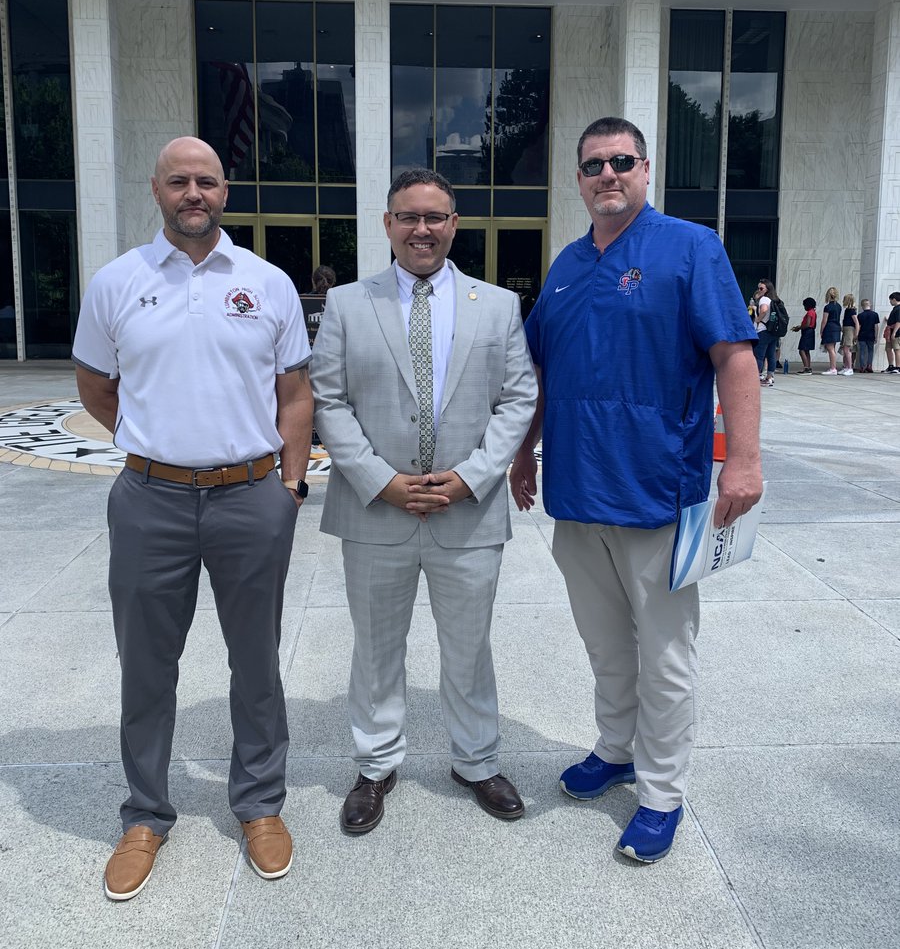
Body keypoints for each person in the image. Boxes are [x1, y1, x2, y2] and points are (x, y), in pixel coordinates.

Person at [509, 117, 762, 864]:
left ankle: (660, 793)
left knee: (667, 652)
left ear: (645, 170)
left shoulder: (690, 248)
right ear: (578, 178)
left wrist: (742, 462)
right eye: (593, 165)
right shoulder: (563, 267)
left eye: (622, 161)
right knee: (604, 644)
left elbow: (735, 360)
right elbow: (542, 376)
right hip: (578, 498)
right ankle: (614, 748)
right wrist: (525, 454)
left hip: (659, 494)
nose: (607, 174)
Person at [72, 137, 313, 900]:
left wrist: (291, 486)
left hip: (251, 499)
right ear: (157, 189)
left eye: (206, 180)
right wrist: (158, 448)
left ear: (225, 191)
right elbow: (94, 385)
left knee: (257, 664)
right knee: (146, 665)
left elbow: (295, 394)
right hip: (151, 503)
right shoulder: (118, 282)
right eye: (178, 180)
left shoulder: (267, 283)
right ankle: (145, 814)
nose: (193, 192)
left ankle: (260, 804)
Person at [310, 168, 537, 835]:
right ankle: (376, 765)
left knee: (469, 648)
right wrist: (379, 480)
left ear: (454, 224)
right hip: (376, 509)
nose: (422, 229)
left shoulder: (497, 306)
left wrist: (474, 476)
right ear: (387, 225)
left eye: (435, 217)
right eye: (408, 216)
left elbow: (518, 398)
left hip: (466, 511)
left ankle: (477, 761)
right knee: (377, 649)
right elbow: (330, 400)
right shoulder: (350, 304)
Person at [753, 278, 780, 387]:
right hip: (772, 331)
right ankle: (770, 377)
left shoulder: (764, 299)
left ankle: (756, 377)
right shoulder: (774, 299)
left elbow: (763, 310)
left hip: (763, 331)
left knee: (759, 355)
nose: (759, 290)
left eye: (761, 288)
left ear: (767, 289)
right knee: (771, 355)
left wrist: (758, 319)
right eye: (758, 288)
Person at [820, 286, 842, 374]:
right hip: (837, 327)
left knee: (830, 349)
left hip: (829, 328)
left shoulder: (827, 307)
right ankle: (833, 367)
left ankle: (833, 368)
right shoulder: (839, 306)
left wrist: (821, 330)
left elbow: (824, 320)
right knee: (833, 348)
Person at [792, 297, 817, 373]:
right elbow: (814, 325)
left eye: (804, 306)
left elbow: (807, 324)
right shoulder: (814, 312)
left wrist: (799, 327)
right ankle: (808, 367)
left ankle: (806, 368)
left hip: (807, 332)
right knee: (807, 351)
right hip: (811, 331)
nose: (804, 307)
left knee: (801, 350)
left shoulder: (809, 313)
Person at [856, 300, 879, 373]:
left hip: (862, 335)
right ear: (870, 305)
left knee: (862, 351)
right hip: (871, 335)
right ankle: (869, 365)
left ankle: (862, 367)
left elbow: (858, 326)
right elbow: (876, 326)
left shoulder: (860, 315)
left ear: (862, 306)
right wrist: (876, 336)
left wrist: (856, 335)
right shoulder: (875, 314)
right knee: (870, 351)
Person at [839, 294, 859, 376]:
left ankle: (850, 368)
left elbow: (856, 323)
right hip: (846, 330)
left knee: (847, 349)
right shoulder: (848, 310)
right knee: (845, 349)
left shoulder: (851, 311)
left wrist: (856, 334)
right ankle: (846, 367)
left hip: (849, 330)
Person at [883, 292, 900, 373]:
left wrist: (894, 333)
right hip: (891, 332)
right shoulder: (895, 308)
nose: (890, 302)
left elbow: (898, 322)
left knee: (897, 349)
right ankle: (891, 366)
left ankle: (898, 367)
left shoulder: (899, 308)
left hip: (896, 333)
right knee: (888, 348)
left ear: (894, 299)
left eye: (890, 300)